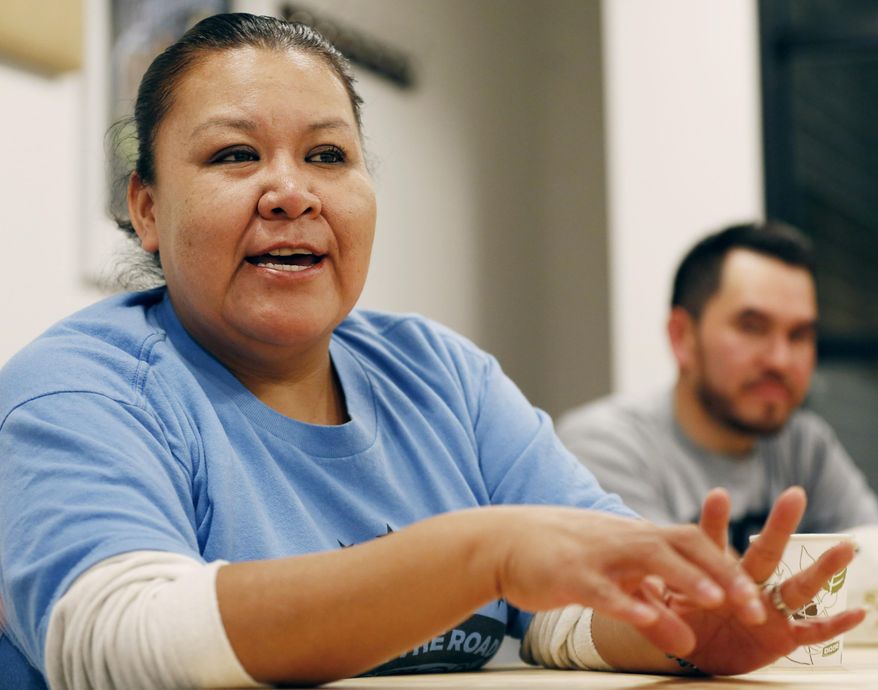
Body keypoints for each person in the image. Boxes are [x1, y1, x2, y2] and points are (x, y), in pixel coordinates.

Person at [0, 15, 862, 690]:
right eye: (235, 155)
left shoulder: (442, 375)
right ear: (146, 208)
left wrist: (682, 635)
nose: (291, 192)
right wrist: (480, 553)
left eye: (329, 155)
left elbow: (563, 613)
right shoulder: (78, 389)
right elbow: (116, 641)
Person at [557, 222, 878, 554]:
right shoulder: (605, 446)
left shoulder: (805, 447)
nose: (780, 360)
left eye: (799, 335)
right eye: (752, 327)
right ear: (682, 337)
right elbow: (660, 595)